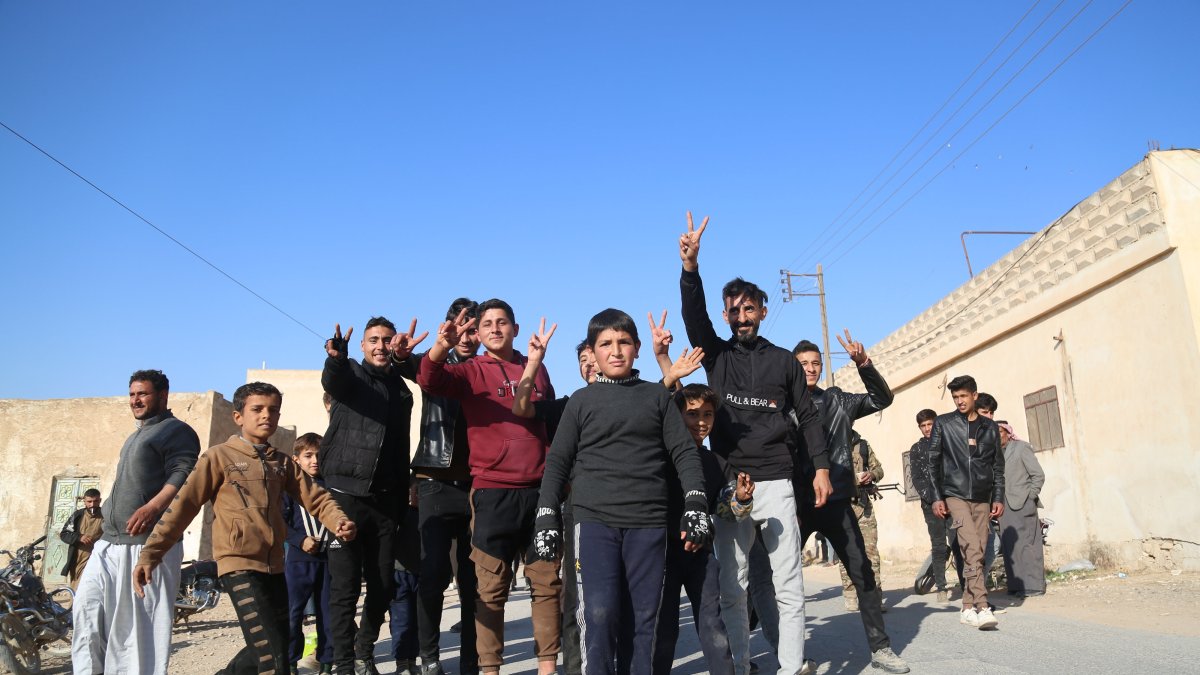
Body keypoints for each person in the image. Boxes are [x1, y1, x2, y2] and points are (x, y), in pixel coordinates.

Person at [677, 212, 829, 675]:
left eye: (749, 308)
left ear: (762, 311)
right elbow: (693, 315)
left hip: (777, 482)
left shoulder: (784, 362)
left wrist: (820, 468)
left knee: (788, 582)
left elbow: (807, 416)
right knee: (734, 587)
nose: (741, 316)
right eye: (734, 310)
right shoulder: (716, 356)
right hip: (728, 486)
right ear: (726, 315)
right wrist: (690, 268)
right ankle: (741, 665)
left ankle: (790, 665)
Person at [531, 309, 711, 675]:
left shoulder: (656, 398)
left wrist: (696, 503)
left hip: (648, 524)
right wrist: (546, 515)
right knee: (598, 616)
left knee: (644, 619)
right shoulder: (581, 401)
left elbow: (684, 453)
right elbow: (558, 462)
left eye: (623, 342)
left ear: (637, 348)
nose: (615, 351)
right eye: (606, 344)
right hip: (594, 524)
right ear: (593, 353)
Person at [134, 382, 356, 674]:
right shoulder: (218, 457)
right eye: (258, 409)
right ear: (238, 417)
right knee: (272, 658)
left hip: (275, 567)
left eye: (273, 410)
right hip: (238, 565)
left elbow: (316, 498)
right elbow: (183, 507)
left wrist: (338, 521)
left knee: (273, 645)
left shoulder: (281, 463)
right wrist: (151, 554)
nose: (267, 416)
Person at [417, 299, 560, 675]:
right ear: (477, 334)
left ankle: (547, 667)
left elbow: (549, 423)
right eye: (488, 325)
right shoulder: (470, 371)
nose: (495, 329)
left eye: (502, 322)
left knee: (546, 585)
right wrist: (440, 347)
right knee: (490, 591)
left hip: (540, 492)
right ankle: (490, 669)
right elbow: (429, 379)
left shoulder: (538, 368)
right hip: (493, 492)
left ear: (515, 327)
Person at [790, 337, 908, 673]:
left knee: (863, 573)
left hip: (838, 499)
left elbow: (882, 398)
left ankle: (881, 649)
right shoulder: (783, 405)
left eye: (815, 363)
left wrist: (864, 364)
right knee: (776, 578)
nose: (810, 369)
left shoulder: (838, 399)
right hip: (798, 505)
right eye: (803, 364)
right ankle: (766, 652)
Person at [72, 369, 200, 675]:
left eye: (142, 393)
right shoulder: (136, 435)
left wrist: (153, 507)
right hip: (109, 542)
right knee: (85, 614)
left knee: (137, 634)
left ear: (163, 395)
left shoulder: (176, 431)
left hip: (147, 546)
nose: (135, 400)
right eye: (132, 394)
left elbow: (184, 473)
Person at [321, 316, 427, 675]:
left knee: (383, 586)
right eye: (373, 340)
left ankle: (365, 650)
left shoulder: (402, 390)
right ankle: (344, 663)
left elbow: (399, 445)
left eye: (385, 340)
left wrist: (404, 490)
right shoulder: (350, 374)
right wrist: (336, 358)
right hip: (343, 496)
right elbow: (332, 379)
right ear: (363, 346)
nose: (380, 346)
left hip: (385, 501)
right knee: (345, 589)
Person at [410, 298, 481, 675]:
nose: (468, 337)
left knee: (473, 581)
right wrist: (434, 347)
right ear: (449, 327)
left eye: (474, 330)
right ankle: (430, 658)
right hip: (434, 483)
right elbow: (409, 364)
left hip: (475, 485)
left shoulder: (487, 369)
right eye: (461, 328)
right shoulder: (434, 363)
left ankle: (472, 660)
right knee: (434, 573)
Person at [652, 383, 741, 675]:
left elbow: (726, 511)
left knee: (712, 624)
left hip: (700, 556)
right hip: (661, 554)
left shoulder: (717, 463)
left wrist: (741, 498)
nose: (701, 422)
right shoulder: (660, 457)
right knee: (663, 629)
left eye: (708, 414)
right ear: (677, 416)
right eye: (692, 414)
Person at [925, 375, 1005, 630]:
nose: (959, 401)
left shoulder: (990, 428)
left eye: (963, 396)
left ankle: (967, 606)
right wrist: (937, 497)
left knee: (978, 551)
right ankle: (983, 606)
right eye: (955, 397)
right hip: (954, 494)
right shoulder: (944, 424)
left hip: (982, 497)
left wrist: (999, 497)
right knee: (971, 545)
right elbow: (933, 462)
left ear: (974, 395)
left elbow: (998, 467)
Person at [283, 432, 335, 674]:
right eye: (308, 456)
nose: (314, 460)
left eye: (319, 455)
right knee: (293, 613)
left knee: (328, 614)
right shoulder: (289, 489)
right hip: (298, 561)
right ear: (296, 460)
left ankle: (326, 662)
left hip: (329, 560)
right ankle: (291, 663)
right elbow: (279, 523)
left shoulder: (332, 486)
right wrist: (299, 539)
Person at [907, 409, 957, 602]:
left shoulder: (949, 443)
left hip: (953, 502)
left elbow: (956, 472)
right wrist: (934, 500)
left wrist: (949, 499)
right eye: (923, 426)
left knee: (957, 543)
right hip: (930, 506)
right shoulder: (917, 449)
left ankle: (966, 583)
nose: (927, 429)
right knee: (938, 546)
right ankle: (942, 587)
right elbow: (917, 479)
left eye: (930, 424)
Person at [996, 420, 1046, 598]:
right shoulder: (993, 454)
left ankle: (1034, 585)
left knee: (1028, 544)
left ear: (1007, 433)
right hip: (1003, 506)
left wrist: (1030, 496)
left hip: (1023, 503)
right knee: (1010, 546)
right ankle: (1016, 585)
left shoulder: (1021, 447)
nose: (997, 436)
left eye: (1000, 432)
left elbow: (1038, 475)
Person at [837, 432, 883, 613]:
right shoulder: (829, 443)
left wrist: (871, 475)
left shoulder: (862, 445)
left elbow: (879, 469)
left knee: (871, 553)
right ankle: (850, 596)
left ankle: (875, 597)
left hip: (864, 506)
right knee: (845, 554)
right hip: (841, 507)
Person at [59, 488, 103, 590]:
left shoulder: (106, 516)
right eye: (89, 501)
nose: (92, 505)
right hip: (79, 559)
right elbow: (64, 534)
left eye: (95, 501)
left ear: (100, 501)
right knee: (78, 587)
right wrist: (79, 537)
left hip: (98, 558)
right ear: (84, 501)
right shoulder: (78, 515)